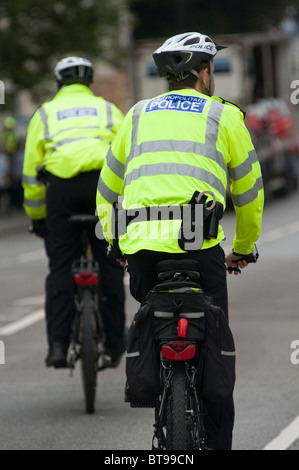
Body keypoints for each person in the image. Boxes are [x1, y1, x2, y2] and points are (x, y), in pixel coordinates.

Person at [96, 33, 264, 450]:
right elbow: (249, 194)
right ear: (205, 73)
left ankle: (156, 384)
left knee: (154, 313)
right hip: (199, 247)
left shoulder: (135, 115)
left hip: (142, 250)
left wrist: (116, 243)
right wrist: (243, 247)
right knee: (214, 338)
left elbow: (106, 191)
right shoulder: (223, 117)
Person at [22, 56, 127, 369]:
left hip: (62, 192)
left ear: (58, 83)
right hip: (101, 188)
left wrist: (39, 218)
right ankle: (113, 344)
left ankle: (58, 344)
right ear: (89, 82)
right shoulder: (108, 109)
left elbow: (31, 175)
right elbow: (127, 155)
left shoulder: (44, 113)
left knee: (60, 268)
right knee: (109, 266)